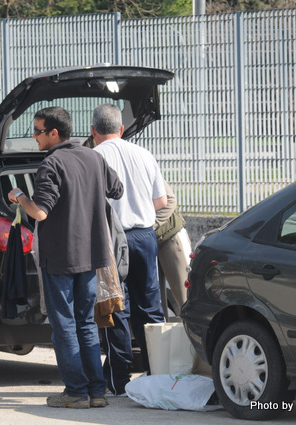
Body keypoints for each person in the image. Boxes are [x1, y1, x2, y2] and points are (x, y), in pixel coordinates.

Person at [7, 106, 123, 409]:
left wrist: (19, 196)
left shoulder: (52, 163)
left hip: (60, 257)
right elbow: (117, 190)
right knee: (86, 323)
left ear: (54, 133)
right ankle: (96, 392)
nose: (34, 136)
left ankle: (75, 391)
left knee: (64, 325)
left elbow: (40, 212)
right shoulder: (94, 157)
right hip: (92, 254)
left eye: (38, 131)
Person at [92, 103, 167, 379]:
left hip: (112, 238)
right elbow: (161, 201)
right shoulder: (144, 154)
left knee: (115, 306)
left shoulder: (94, 157)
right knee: (150, 306)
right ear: (122, 128)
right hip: (145, 236)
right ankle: (157, 372)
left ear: (93, 131)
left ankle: (119, 377)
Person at [154, 181, 189, 317]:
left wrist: (151, 225)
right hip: (148, 241)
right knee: (155, 303)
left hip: (170, 235)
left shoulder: (145, 167)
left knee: (185, 296)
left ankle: (193, 330)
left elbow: (169, 200)